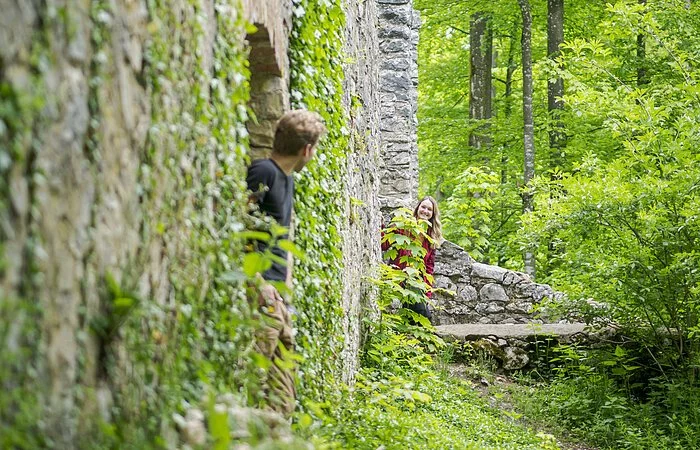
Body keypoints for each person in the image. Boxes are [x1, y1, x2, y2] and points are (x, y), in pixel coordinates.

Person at [245, 109, 326, 417]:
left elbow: (283, 242)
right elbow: (239, 225)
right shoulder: (263, 172)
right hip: (262, 296)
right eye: (315, 148)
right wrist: (260, 284)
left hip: (279, 300)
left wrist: (286, 292)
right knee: (254, 382)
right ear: (306, 149)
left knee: (283, 398)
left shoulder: (287, 179)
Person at [382, 196, 443, 322]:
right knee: (424, 314)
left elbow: (429, 268)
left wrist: (427, 293)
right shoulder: (404, 226)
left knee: (411, 318)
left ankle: (412, 340)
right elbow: (384, 244)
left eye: (429, 209)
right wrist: (380, 225)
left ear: (432, 214)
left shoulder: (431, 237)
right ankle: (428, 336)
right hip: (399, 276)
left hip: (417, 282)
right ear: (418, 208)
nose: (425, 211)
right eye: (423, 207)